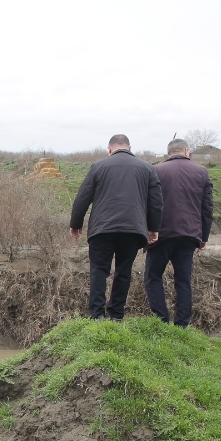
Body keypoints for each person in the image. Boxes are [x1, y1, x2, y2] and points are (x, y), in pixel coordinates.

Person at [70, 134, 163, 319]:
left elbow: (82, 197)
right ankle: (116, 314)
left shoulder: (98, 166)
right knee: (123, 271)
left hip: (102, 229)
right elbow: (156, 202)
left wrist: (76, 224)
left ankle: (97, 314)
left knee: (98, 270)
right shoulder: (148, 168)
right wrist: (153, 228)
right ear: (129, 147)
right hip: (133, 230)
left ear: (109, 148)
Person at [144, 139, 215, 326]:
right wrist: (203, 237)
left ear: (168, 153)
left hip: (161, 234)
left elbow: (149, 204)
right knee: (183, 280)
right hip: (189, 235)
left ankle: (161, 320)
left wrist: (149, 230)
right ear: (186, 151)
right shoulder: (201, 172)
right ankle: (182, 324)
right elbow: (207, 208)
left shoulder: (156, 171)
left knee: (152, 276)